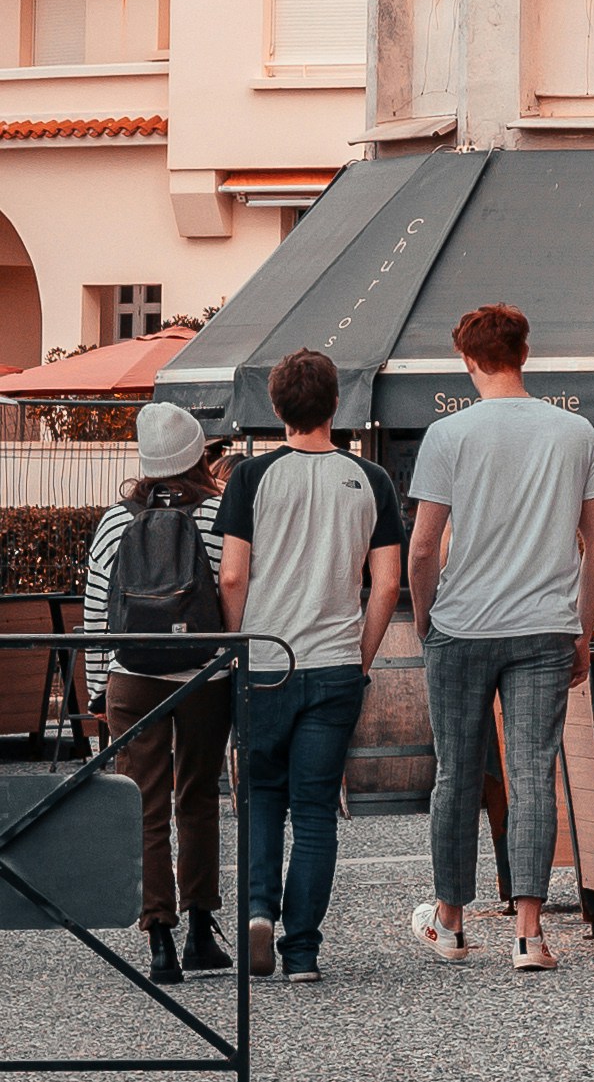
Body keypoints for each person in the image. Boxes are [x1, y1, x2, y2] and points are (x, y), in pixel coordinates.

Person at [404, 302, 594, 974]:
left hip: (462, 626)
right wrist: (584, 623)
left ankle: (451, 922)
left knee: (456, 774)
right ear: (526, 352)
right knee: (532, 775)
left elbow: (422, 547)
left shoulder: (448, 434)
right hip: (545, 627)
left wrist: (425, 618)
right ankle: (529, 935)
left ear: (468, 360)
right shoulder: (576, 431)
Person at [216, 348, 408, 981]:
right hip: (333, 667)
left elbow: (235, 573)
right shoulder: (372, 480)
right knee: (317, 810)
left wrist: (238, 645)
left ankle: (256, 914)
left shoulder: (250, 478)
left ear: (275, 408)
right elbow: (385, 586)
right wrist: (360, 657)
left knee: (262, 796)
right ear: (337, 405)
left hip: (265, 662)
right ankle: (302, 951)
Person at [84, 395, 234, 979]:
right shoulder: (217, 516)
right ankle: (201, 930)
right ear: (199, 454)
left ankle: (159, 942)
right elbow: (232, 597)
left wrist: (99, 688)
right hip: (202, 679)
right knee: (197, 798)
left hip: (132, 678)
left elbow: (97, 610)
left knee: (145, 806)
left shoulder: (116, 520)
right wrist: (229, 667)